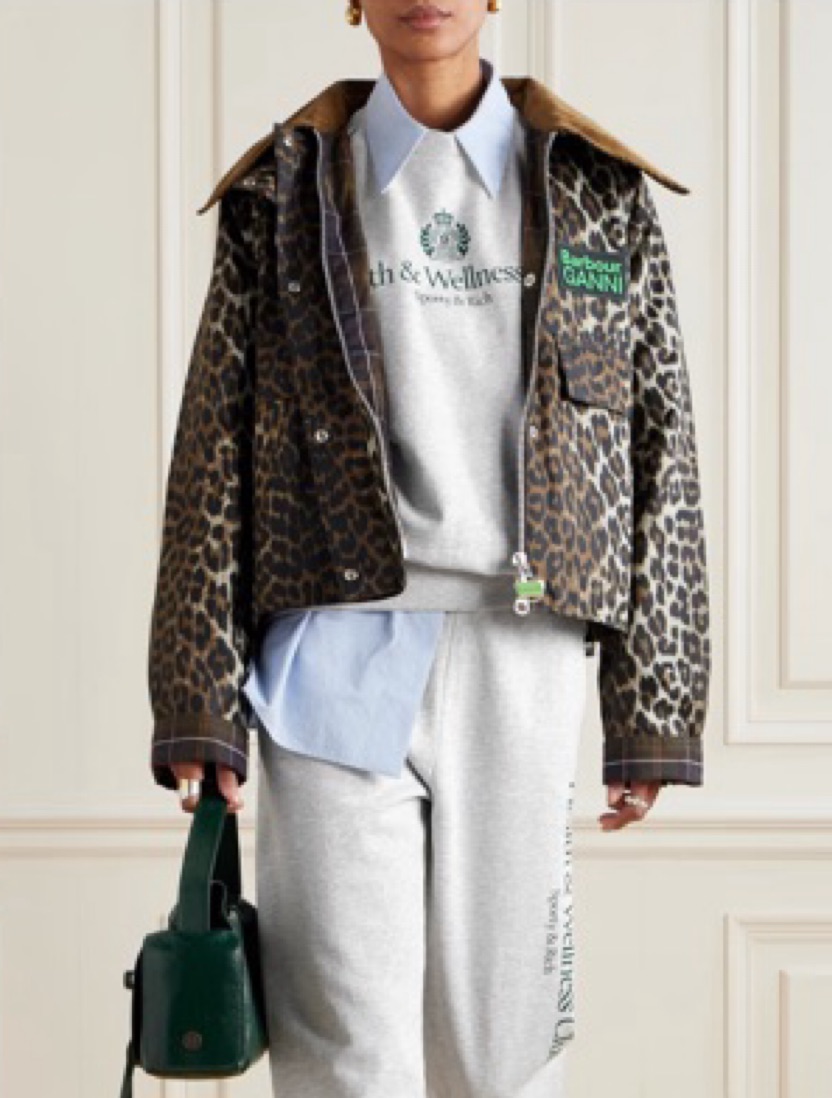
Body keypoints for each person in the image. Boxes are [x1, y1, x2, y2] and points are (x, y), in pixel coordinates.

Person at [146, 2, 712, 1094]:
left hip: (524, 653)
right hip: (331, 656)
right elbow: (213, 448)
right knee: (343, 1058)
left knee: (506, 1058)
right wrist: (197, 697)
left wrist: (654, 707)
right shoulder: (283, 191)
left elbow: (660, 445)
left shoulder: (598, 191)